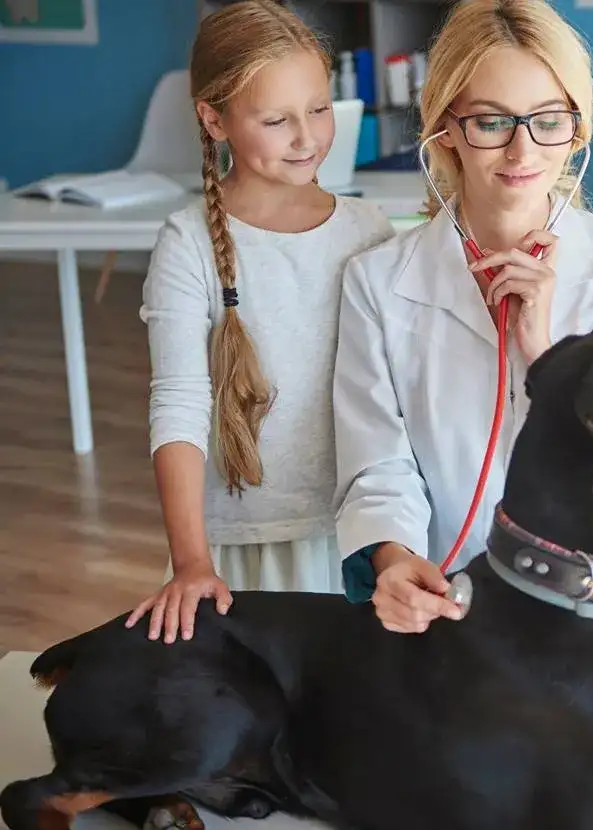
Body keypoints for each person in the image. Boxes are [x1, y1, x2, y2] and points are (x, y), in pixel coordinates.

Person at [331, 0, 593, 678]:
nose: (522, 150)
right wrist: (392, 559)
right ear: (444, 127)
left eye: (548, 120)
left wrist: (550, 359)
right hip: (457, 616)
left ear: (577, 128)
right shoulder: (379, 283)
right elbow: (378, 465)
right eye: (491, 121)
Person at [124, 0, 395, 644]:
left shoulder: (369, 230)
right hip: (237, 551)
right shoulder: (188, 243)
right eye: (276, 120)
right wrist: (192, 563)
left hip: (356, 536)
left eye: (320, 109)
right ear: (213, 119)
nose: (307, 138)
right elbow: (179, 403)